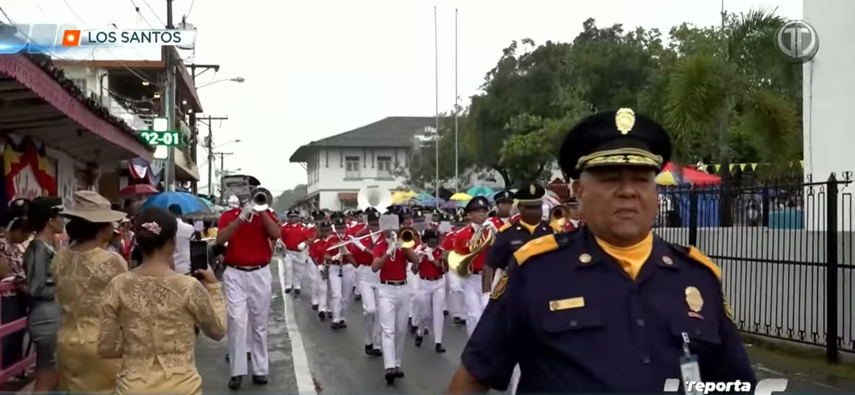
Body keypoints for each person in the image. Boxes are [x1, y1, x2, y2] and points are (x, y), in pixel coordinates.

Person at [448, 108, 755, 393]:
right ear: (579, 191)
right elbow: (475, 376)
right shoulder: (536, 271)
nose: (628, 191)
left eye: (641, 179)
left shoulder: (698, 277)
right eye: (610, 179)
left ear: (655, 192)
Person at [98, 207, 226, 395]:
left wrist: (137, 348)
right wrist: (213, 287)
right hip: (183, 388)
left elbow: (106, 348)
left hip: (134, 387)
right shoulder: (188, 287)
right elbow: (218, 331)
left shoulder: (118, 285)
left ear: (139, 241)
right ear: (173, 242)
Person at [52, 191, 128, 393]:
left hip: (66, 341)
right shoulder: (112, 261)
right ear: (101, 227)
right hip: (103, 343)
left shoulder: (60, 258)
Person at [216, 191, 280, 390]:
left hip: (260, 273)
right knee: (237, 322)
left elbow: (275, 234)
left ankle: (260, 370)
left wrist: (262, 212)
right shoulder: (228, 215)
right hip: (235, 273)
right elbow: (220, 240)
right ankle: (237, 372)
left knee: (259, 324)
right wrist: (241, 218)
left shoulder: (266, 214)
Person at [371, 221, 420, 384]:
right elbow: (374, 267)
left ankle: (397, 363)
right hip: (386, 290)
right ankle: (389, 366)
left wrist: (403, 246)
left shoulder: (403, 244)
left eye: (394, 226)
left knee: (401, 329)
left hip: (403, 288)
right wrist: (388, 251)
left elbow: (415, 260)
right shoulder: (379, 245)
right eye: (388, 226)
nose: (391, 229)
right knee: (388, 330)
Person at [450, 196, 493, 336]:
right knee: (474, 314)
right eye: (478, 211)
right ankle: (473, 346)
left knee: (487, 313)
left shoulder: (491, 232)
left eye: (484, 211)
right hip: (470, 278)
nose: (482, 215)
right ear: (470, 215)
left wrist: (497, 234)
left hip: (488, 277)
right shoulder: (462, 235)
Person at [0, 199, 30, 375]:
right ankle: (5, 370)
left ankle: (14, 369)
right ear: (18, 231)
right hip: (8, 296)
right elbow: (3, 273)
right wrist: (17, 279)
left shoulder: (14, 246)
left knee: (17, 334)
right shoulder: (2, 244)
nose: (25, 239)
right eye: (25, 235)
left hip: (18, 293)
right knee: (8, 335)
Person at [347, 208, 383, 356]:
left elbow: (379, 255)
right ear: (368, 224)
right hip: (366, 274)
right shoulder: (362, 237)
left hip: (381, 274)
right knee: (370, 310)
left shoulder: (386, 238)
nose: (376, 227)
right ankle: (368, 340)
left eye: (378, 224)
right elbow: (350, 254)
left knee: (380, 312)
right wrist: (358, 267)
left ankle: (376, 344)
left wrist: (362, 247)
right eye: (373, 224)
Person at [412, 228, 446, 353]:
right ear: (426, 240)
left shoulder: (442, 251)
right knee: (424, 313)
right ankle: (420, 331)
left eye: (436, 240)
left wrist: (432, 258)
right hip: (424, 283)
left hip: (439, 283)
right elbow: (414, 271)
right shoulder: (420, 251)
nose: (434, 243)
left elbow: (443, 269)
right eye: (432, 241)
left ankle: (438, 341)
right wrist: (418, 261)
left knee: (438, 312)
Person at [326, 212, 355, 330]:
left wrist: (346, 251)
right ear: (335, 228)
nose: (340, 230)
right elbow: (325, 254)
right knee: (336, 294)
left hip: (347, 267)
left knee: (346, 296)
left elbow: (354, 255)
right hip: (334, 267)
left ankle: (342, 317)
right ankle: (335, 318)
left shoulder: (351, 239)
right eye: (338, 228)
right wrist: (332, 258)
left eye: (342, 228)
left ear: (345, 228)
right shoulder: (331, 239)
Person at [280, 209, 312, 296]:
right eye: (291, 217)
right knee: (288, 269)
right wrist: (282, 247)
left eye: (295, 217)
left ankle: (297, 285)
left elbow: (309, 238)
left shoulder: (303, 227)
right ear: (288, 218)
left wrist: (304, 243)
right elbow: (280, 238)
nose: (293, 218)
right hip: (288, 252)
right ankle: (288, 285)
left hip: (300, 252)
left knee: (299, 270)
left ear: (297, 217)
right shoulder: (284, 227)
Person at [308, 218, 332, 321]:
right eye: (324, 230)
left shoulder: (335, 241)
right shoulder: (316, 242)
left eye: (328, 230)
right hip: (321, 267)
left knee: (332, 289)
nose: (326, 232)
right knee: (322, 289)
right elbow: (313, 255)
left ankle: (330, 308)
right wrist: (319, 266)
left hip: (334, 268)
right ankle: (322, 309)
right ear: (320, 231)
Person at [169, 204, 195, 275]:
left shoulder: (165, 228)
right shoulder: (190, 228)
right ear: (181, 214)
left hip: (170, 268)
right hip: (186, 267)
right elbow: (194, 247)